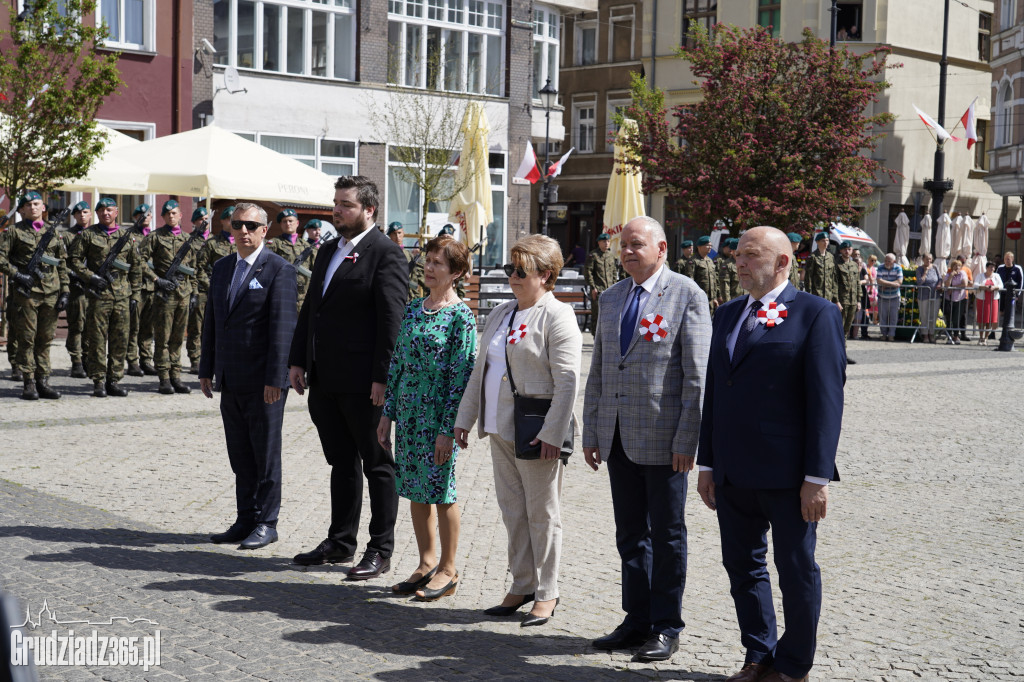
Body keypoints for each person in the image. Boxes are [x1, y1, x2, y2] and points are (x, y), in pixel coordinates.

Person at [696, 226, 845, 682]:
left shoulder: (815, 315)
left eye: (751, 256)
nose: (739, 262)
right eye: (737, 254)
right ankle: (758, 653)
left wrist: (816, 477)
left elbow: (826, 400)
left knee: (796, 570)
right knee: (742, 567)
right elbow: (715, 393)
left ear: (782, 262)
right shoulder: (726, 315)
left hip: (788, 475)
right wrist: (707, 462)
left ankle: (794, 664)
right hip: (733, 471)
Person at [582, 216, 711, 662]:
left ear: (661, 249)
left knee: (667, 535)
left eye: (637, 245)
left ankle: (666, 625)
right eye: (623, 246)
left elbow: (697, 377)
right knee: (630, 534)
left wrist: (687, 439)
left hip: (663, 440)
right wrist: (593, 428)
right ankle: (636, 619)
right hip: (618, 436)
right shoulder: (613, 297)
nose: (628, 252)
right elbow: (599, 367)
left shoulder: (687, 295)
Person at [455, 234, 582, 626]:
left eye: (521, 270)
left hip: (536, 432)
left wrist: (551, 432)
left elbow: (568, 381)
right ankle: (522, 583)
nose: (512, 276)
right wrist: (465, 418)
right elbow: (481, 372)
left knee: (542, 514)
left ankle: (547, 592)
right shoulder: (502, 312)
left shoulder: (557, 316)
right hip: (500, 429)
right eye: (510, 269)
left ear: (546, 275)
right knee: (513, 512)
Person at [288, 176, 407, 579]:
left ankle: (380, 549)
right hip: (325, 379)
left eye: (346, 205)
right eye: (336, 203)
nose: (336, 210)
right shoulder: (327, 251)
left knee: (377, 464)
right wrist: (298, 360)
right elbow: (312, 310)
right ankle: (340, 542)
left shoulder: (385, 254)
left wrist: (383, 378)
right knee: (341, 462)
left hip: (364, 383)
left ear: (368, 210)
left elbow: (392, 323)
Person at [378, 235, 477, 601]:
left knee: (441, 490)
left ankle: (448, 570)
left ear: (456, 272)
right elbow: (398, 364)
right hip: (409, 413)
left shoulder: (461, 317)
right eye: (428, 260)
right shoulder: (415, 309)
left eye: (438, 263)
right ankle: (425, 563)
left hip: (438, 418)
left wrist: (447, 430)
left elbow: (461, 378)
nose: (429, 268)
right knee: (414, 488)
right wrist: (388, 413)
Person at [200, 203, 298, 550]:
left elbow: (283, 329)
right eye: (237, 224)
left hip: (264, 382)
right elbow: (213, 320)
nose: (243, 231)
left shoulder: (279, 270)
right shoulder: (223, 267)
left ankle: (267, 522)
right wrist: (207, 368)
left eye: (251, 226)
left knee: (265, 454)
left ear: (265, 230)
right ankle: (246, 517)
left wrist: (277, 379)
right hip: (231, 378)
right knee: (240, 453)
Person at [69, 197, 144, 398]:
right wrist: (90, 277)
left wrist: (135, 294)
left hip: (122, 297)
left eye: (109, 210)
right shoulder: (87, 235)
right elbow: (73, 260)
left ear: (116, 212)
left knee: (120, 340)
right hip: (98, 296)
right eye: (101, 210)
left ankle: (114, 380)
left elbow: (136, 268)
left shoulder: (127, 237)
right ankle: (99, 381)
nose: (105, 213)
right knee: (97, 340)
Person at [0, 192, 70, 400]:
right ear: (21, 210)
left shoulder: (54, 232)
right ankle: (29, 382)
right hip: (27, 294)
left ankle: (43, 381)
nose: (33, 207)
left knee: (45, 339)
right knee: (27, 339)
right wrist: (18, 275)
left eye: (36, 204)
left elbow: (62, 263)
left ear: (43, 207)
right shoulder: (13, 232)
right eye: (28, 204)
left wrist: (65, 290)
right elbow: (1, 259)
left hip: (51, 293)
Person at [139, 200, 196, 394]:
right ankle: (164, 378)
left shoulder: (188, 239)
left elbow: (194, 269)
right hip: (164, 295)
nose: (171, 216)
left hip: (183, 294)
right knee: (163, 339)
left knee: (178, 339)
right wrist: (156, 279)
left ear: (181, 215)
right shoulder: (155, 237)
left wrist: (193, 291)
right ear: (163, 217)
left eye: (174, 213)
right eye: (167, 214)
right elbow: (139, 261)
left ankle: (176, 376)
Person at [61, 201, 92, 379]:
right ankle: (76, 361)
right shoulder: (66, 236)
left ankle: (88, 358)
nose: (82, 215)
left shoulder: (96, 234)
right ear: (74, 216)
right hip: (76, 287)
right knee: (77, 325)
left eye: (85, 212)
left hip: (93, 288)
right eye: (78, 213)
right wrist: (74, 276)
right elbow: (62, 261)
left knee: (91, 326)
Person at [126, 204, 156, 377]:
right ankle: (132, 361)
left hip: (152, 287)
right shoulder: (128, 235)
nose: (145, 217)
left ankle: (146, 359)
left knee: (148, 327)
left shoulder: (155, 236)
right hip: (135, 286)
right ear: (135, 217)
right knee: (133, 326)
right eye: (141, 214)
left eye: (148, 214)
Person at [268, 209, 313, 312]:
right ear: (280, 224)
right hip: (283, 294)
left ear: (297, 223)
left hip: (304, 297)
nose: (288, 223)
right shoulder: (274, 244)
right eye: (284, 221)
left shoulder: (307, 247)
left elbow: (314, 270)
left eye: (290, 221)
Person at [185, 207, 211, 373]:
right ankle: (195, 359)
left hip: (214, 289)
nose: (204, 222)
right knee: (196, 326)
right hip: (198, 289)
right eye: (200, 219)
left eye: (206, 219)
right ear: (194, 222)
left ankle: (208, 358)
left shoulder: (214, 241)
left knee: (210, 328)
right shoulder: (188, 241)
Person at [584, 232, 618, 331]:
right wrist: (593, 287)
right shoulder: (593, 255)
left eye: (608, 241)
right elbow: (588, 272)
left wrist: (615, 285)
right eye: (604, 241)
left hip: (610, 290)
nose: (606, 243)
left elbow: (614, 272)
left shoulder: (611, 255)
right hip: (598, 290)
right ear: (599, 243)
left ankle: (607, 337)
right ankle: (596, 339)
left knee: (610, 316)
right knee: (597, 316)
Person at [835, 241, 860, 363]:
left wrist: (859, 300)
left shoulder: (854, 265)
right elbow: (833, 283)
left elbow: (857, 283)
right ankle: (838, 355)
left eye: (849, 249)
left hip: (852, 301)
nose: (847, 251)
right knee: (839, 329)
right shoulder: (837, 264)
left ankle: (843, 354)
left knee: (846, 330)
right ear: (840, 250)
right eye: (845, 249)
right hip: (842, 301)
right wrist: (836, 300)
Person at [684, 235, 719, 315]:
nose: (710, 247)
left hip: (710, 302)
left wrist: (714, 298)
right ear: (699, 246)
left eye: (710, 245)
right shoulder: (693, 261)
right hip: (698, 300)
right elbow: (690, 282)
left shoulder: (710, 261)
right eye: (707, 245)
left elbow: (714, 281)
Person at [996, 252, 1024, 349]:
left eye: (1008, 259)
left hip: (1012, 296)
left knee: (1009, 314)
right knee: (998, 313)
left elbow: (1021, 282)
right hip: (1001, 295)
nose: (1006, 260)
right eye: (1005, 259)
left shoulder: (1017, 269)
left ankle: (1007, 334)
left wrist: (1018, 295)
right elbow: (996, 278)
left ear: (1012, 259)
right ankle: (993, 332)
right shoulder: (1000, 268)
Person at [939, 259, 969, 345]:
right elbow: (947, 285)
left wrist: (953, 288)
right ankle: (949, 336)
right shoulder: (948, 274)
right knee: (949, 318)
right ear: (952, 267)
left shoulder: (963, 273)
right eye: (955, 266)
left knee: (956, 319)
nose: (957, 267)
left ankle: (956, 336)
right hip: (949, 299)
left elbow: (964, 284)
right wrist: (951, 276)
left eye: (959, 266)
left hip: (959, 299)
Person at [803, 233, 838, 305]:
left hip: (828, 295)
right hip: (816, 295)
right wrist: (809, 295)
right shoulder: (813, 257)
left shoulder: (830, 257)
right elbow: (808, 278)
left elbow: (833, 278)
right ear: (817, 242)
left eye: (827, 240)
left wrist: (835, 297)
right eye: (823, 241)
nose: (826, 243)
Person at [875, 253, 903, 341]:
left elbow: (900, 282)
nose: (886, 262)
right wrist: (892, 284)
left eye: (889, 261)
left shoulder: (898, 267)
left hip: (894, 296)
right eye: (886, 260)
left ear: (894, 261)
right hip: (882, 296)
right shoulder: (880, 267)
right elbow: (879, 280)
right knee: (882, 317)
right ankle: (883, 334)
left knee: (893, 317)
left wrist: (886, 284)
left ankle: (891, 335)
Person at [915, 253, 941, 344]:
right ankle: (925, 335)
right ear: (923, 259)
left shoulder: (935, 267)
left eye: (930, 259)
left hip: (935, 295)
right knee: (924, 315)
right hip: (923, 296)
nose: (929, 261)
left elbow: (940, 278)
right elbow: (919, 282)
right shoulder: (919, 269)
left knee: (933, 315)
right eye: (927, 259)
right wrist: (925, 272)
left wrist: (939, 284)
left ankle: (931, 334)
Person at [975, 261, 1003, 345]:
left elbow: (1001, 285)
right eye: (991, 267)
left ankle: (986, 338)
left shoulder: (996, 276)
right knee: (982, 319)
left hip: (993, 300)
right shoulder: (980, 276)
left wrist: (994, 287)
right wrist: (984, 287)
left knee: (989, 320)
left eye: (993, 267)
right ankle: (980, 337)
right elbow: (975, 284)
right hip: (982, 300)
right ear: (986, 267)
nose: (992, 269)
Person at [955, 255, 974, 341]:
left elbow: (971, 283)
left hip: (964, 295)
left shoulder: (967, 270)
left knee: (963, 315)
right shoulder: (951, 269)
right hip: (954, 296)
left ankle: (963, 333)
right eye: (961, 261)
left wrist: (967, 281)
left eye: (963, 262)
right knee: (954, 314)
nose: (962, 263)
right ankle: (954, 333)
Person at [718, 237, 743, 302]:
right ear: (732, 251)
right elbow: (725, 287)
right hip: (734, 301)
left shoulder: (746, 263)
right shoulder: (727, 264)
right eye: (738, 251)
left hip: (745, 300)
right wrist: (728, 303)